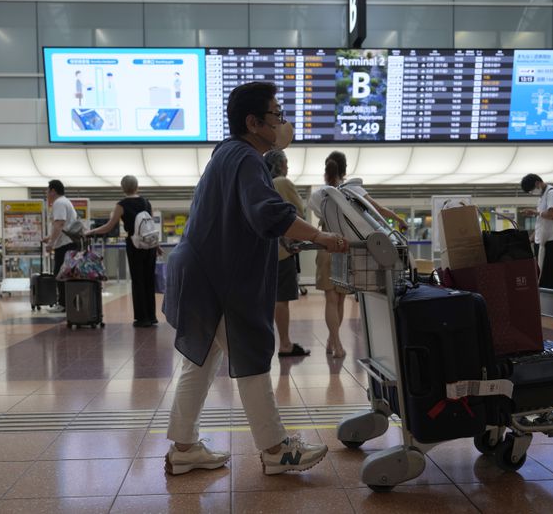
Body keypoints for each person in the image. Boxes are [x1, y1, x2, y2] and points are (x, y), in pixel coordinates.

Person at [162, 82, 348, 477]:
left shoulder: (226, 154)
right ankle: (277, 449)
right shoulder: (246, 158)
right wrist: (319, 236)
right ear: (253, 122)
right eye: (277, 115)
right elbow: (267, 212)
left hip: (200, 273)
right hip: (220, 279)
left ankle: (184, 448)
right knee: (251, 356)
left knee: (202, 361)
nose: (284, 123)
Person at [309, 151, 407, 359]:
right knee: (341, 299)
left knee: (330, 300)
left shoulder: (320, 195)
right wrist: (399, 219)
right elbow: (377, 210)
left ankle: (334, 342)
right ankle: (335, 342)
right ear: (345, 170)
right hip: (346, 248)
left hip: (326, 247)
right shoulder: (353, 189)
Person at [86, 175, 158, 327]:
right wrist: (156, 246)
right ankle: (152, 316)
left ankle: (142, 318)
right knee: (149, 281)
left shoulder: (122, 204)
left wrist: (91, 232)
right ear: (137, 186)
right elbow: (149, 227)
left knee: (138, 281)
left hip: (134, 245)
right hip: (150, 246)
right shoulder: (146, 202)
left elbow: (109, 226)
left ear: (123, 188)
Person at [265, 149, 310, 358]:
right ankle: (285, 343)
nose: (288, 167)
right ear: (281, 165)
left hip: (265, 252)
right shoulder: (282, 182)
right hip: (282, 252)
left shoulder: (261, 183)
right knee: (281, 299)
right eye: (287, 162)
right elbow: (298, 214)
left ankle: (280, 342)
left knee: (272, 299)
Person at [520, 173, 553, 290]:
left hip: (551, 240)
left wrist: (534, 212)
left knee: (551, 275)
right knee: (541, 274)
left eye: (531, 190)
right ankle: (544, 300)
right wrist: (532, 237)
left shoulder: (552, 192)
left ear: (537, 183)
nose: (532, 193)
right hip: (542, 240)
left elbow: (552, 214)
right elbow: (542, 222)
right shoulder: (542, 197)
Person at [42, 179, 81, 313]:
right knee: (66, 273)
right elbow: (63, 226)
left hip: (65, 245)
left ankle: (63, 304)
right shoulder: (66, 201)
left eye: (47, 190)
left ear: (53, 191)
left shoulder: (59, 203)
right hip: (69, 243)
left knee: (60, 273)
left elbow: (59, 224)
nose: (46, 193)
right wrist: (49, 238)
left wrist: (51, 243)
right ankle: (68, 303)